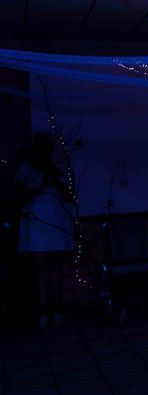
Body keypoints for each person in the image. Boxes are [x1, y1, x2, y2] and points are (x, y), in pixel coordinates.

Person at [17, 133, 75, 329]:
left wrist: (55, 179)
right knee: (41, 269)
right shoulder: (26, 170)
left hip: (56, 221)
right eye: (41, 147)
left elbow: (69, 196)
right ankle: (43, 313)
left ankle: (57, 311)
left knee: (55, 268)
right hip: (36, 222)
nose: (44, 151)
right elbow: (21, 197)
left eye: (47, 147)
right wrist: (42, 182)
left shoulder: (58, 168)